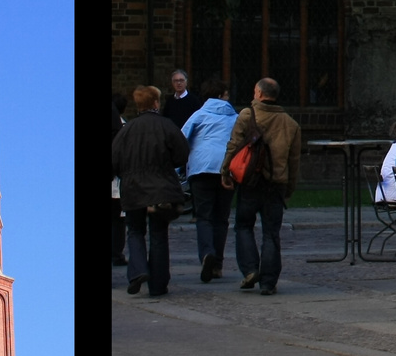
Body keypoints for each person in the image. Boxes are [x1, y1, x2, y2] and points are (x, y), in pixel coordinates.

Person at [221, 78, 301, 296]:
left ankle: (249, 269)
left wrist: (225, 171)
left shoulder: (248, 115)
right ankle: (268, 282)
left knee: (244, 225)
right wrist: (290, 187)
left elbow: (234, 145)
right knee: (271, 233)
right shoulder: (290, 124)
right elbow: (294, 161)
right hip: (276, 183)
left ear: (257, 92)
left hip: (250, 181)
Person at [111, 85, 189, 297]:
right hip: (160, 189)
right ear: (156, 103)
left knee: (135, 232)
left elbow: (114, 161)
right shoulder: (166, 126)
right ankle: (158, 285)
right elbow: (182, 154)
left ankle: (137, 271)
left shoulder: (126, 130)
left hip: (133, 189)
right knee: (158, 234)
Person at [180, 78, 237, 283]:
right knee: (221, 218)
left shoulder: (199, 115)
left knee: (203, 216)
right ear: (223, 95)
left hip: (201, 168)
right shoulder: (235, 117)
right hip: (226, 170)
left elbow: (181, 140)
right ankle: (218, 264)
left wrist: (179, 169)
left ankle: (206, 253)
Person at [111, 92, 129, 267]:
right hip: (117, 180)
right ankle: (116, 254)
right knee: (118, 220)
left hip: (116, 181)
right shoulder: (123, 128)